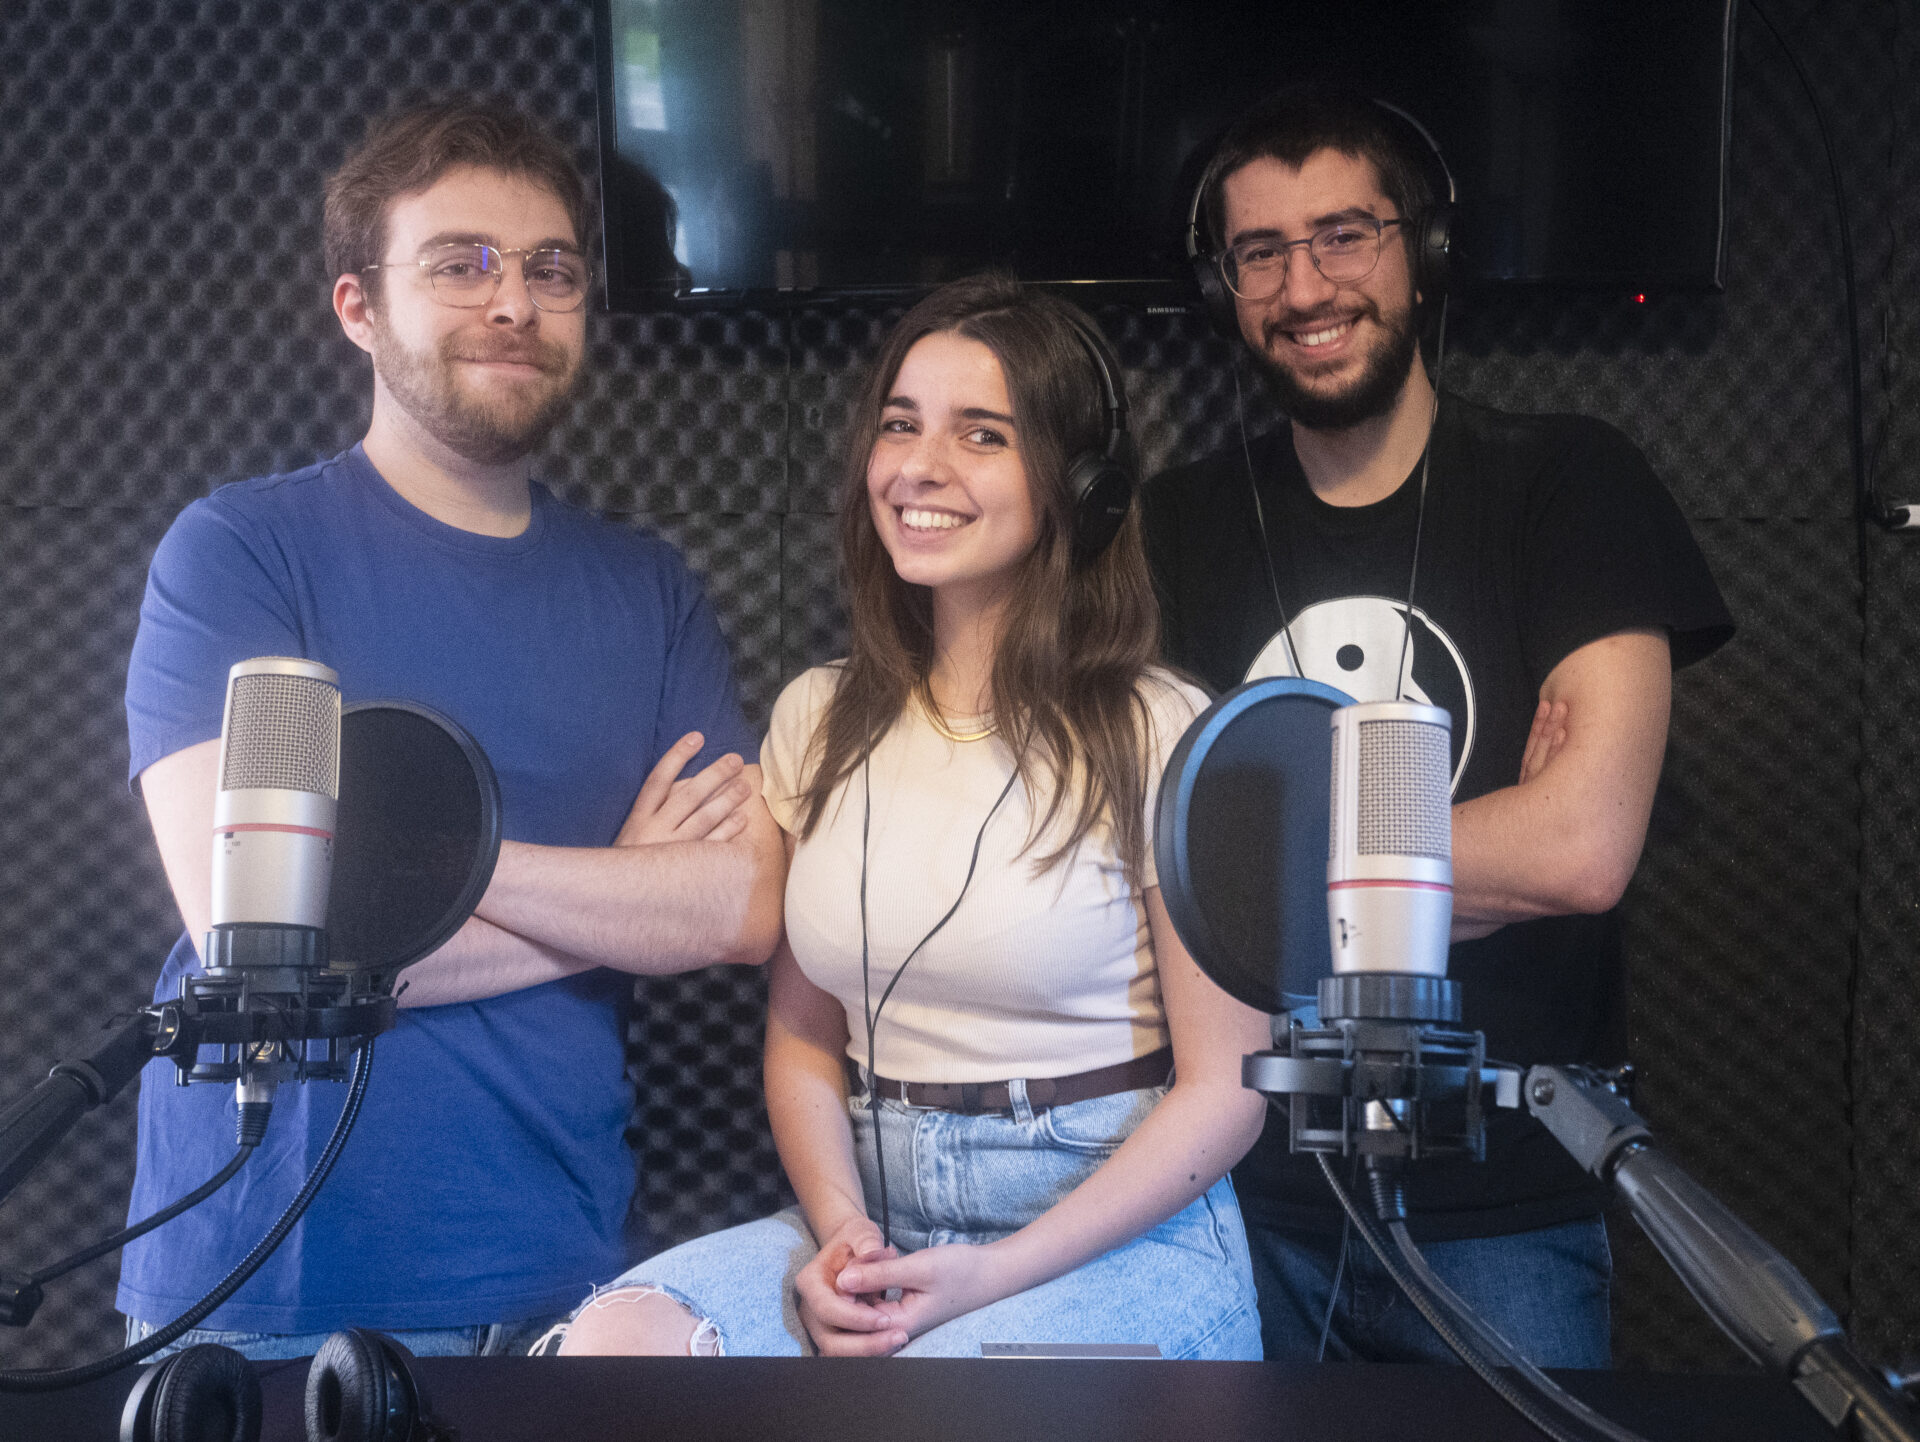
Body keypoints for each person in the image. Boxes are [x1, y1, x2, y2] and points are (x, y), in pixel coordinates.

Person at [119, 98, 785, 1361]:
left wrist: (390, 880)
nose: (514, 302)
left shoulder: (648, 591)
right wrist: (626, 897)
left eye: (550, 270)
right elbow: (253, 928)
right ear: (358, 307)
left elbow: (739, 906)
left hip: (559, 1284)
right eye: (460, 262)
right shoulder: (243, 553)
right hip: (259, 1286)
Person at [545, 273, 1270, 1359]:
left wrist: (992, 1275)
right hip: (878, 1200)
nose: (920, 467)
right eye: (900, 424)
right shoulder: (819, 717)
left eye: (982, 434)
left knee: (929, 1397)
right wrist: (839, 1230)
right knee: (618, 1343)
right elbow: (801, 1034)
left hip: (1116, 1227)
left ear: (1079, 485)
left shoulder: (1164, 728)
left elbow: (1227, 1090)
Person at [1143, 86, 1734, 1367]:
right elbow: (1150, 862)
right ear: (1225, 289)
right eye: (1262, 252)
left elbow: (1581, 843)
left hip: (1501, 1209)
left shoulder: (1568, 482)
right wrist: (1461, 856)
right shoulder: (1171, 529)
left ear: (1424, 251)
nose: (1307, 285)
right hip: (1235, 1196)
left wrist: (1270, 878)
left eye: (1346, 233)